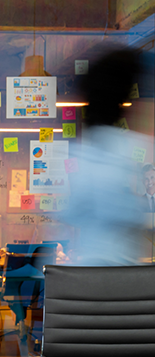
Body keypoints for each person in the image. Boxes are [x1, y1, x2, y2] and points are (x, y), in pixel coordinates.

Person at [65, 48, 151, 266]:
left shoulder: (86, 152)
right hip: (120, 274)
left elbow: (72, 211)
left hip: (93, 273)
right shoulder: (130, 148)